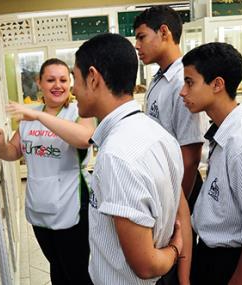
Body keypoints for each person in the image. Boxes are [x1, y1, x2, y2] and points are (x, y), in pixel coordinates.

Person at [72, 32, 190, 285]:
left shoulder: (117, 155)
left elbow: (145, 266)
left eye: (74, 78)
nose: (72, 89)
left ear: (93, 78)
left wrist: (176, 249)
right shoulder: (157, 133)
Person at [0, 58, 95, 285]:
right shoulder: (30, 115)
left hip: (73, 202)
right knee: (56, 265)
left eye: (63, 80)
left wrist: (38, 116)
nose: (58, 85)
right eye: (50, 80)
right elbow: (13, 152)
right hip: (39, 205)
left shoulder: (79, 111)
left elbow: (85, 138)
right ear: (39, 83)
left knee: (76, 271)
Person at [180, 42, 242, 285]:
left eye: (190, 82)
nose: (183, 91)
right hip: (211, 257)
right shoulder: (225, 134)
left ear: (217, 84)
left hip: (232, 265)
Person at [133, 5, 207, 212]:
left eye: (142, 37)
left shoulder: (183, 81)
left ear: (164, 32)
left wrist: (176, 208)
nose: (137, 46)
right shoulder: (159, 78)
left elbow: (190, 155)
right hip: (163, 183)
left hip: (182, 185)